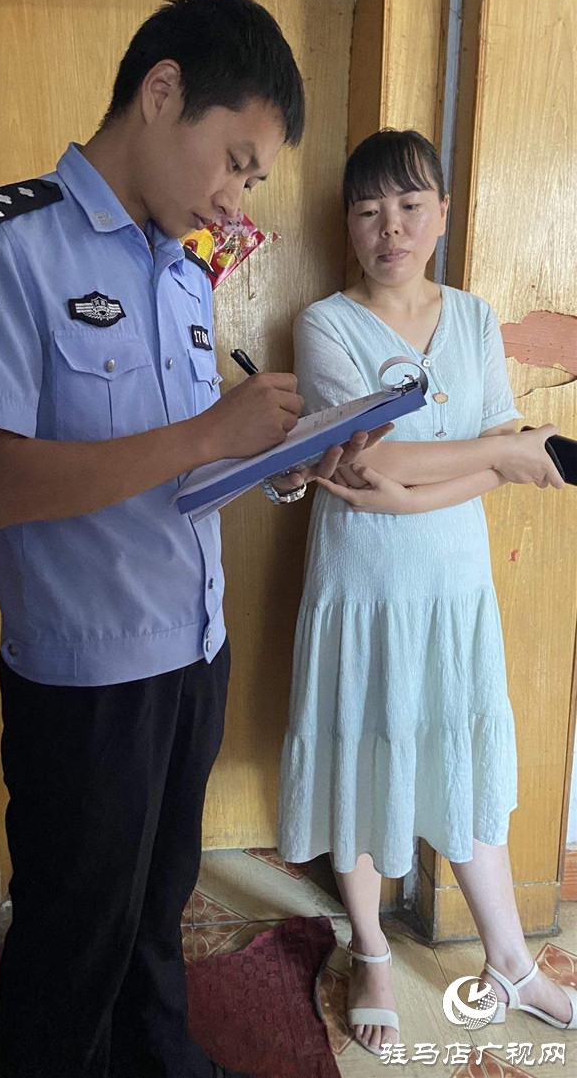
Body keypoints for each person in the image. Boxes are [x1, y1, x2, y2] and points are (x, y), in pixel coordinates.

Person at [0, 0, 387, 1078]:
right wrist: (207, 432)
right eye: (236, 161)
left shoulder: (183, 266)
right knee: (74, 940)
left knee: (155, 912)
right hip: (89, 677)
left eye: (252, 180)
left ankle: (160, 1057)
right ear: (162, 90)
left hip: (194, 649)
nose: (236, 196)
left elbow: (177, 475)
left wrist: (285, 461)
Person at [277, 129, 575, 1056]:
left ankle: (510, 961)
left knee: (462, 759)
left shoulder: (476, 319)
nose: (391, 228)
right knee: (364, 756)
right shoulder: (325, 324)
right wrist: (498, 453)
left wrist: (419, 489)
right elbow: (376, 459)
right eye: (369, 211)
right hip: (362, 588)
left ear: (442, 213)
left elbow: (458, 467)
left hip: (453, 588)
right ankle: (370, 950)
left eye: (410, 206)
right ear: (347, 225)